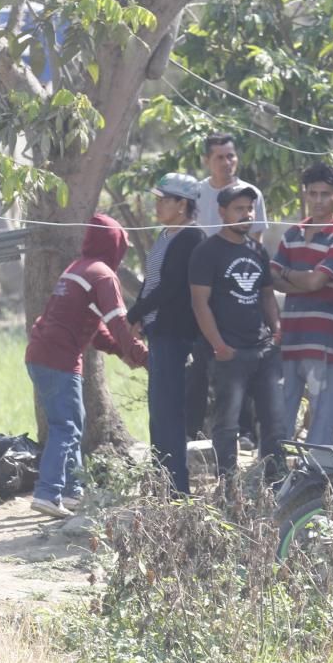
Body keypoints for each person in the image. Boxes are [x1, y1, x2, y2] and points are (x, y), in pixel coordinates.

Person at [26, 214, 148, 519]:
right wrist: (144, 356)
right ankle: (48, 493)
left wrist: (121, 351)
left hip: (41, 354)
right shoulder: (104, 275)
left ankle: (73, 492)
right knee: (66, 426)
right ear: (115, 245)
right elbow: (118, 322)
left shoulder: (77, 269)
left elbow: (96, 331)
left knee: (73, 422)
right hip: (59, 358)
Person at [189, 183, 286, 484]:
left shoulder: (257, 249)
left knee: (274, 422)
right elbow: (199, 302)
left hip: (262, 350)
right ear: (222, 212)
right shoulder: (207, 251)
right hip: (228, 352)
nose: (246, 214)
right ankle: (228, 485)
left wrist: (276, 329)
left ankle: (276, 482)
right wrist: (219, 345)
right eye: (239, 208)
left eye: (249, 208)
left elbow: (267, 295)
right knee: (227, 423)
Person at [126, 174, 206, 494]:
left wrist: (135, 313)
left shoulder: (190, 238)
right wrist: (139, 316)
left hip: (176, 334)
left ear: (183, 205)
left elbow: (171, 287)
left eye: (164, 199)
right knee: (158, 411)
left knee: (168, 411)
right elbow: (151, 281)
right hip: (158, 331)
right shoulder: (164, 235)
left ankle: (176, 490)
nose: (157, 205)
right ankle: (162, 484)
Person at [185, 132, 265, 445]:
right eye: (219, 157)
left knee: (239, 360)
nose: (227, 162)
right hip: (201, 285)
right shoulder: (196, 194)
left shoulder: (251, 193)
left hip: (238, 287)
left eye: (231, 156)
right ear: (207, 160)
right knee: (197, 363)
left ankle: (243, 431)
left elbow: (255, 242)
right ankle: (191, 430)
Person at [270, 163, 333, 446]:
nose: (318, 200)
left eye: (325, 194)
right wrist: (303, 280)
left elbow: (317, 282)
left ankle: (317, 477)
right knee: (279, 414)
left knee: (322, 416)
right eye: (313, 193)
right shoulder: (291, 233)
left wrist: (289, 275)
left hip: (323, 342)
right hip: (290, 337)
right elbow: (270, 278)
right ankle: (272, 472)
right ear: (305, 194)